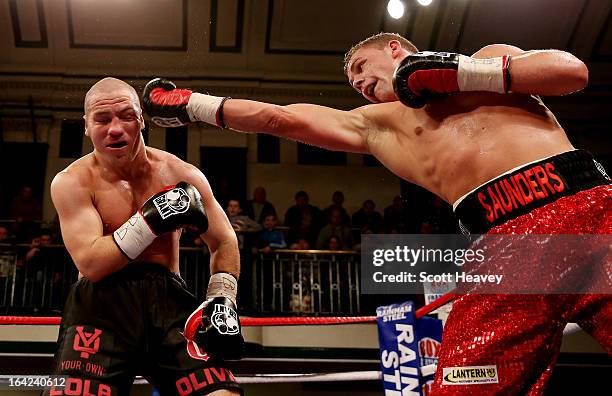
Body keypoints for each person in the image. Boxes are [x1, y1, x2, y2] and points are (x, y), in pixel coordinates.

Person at [142, 32, 611, 394]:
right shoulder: (374, 125)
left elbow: (571, 71)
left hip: (592, 207)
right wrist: (192, 105)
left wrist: (460, 73)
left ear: (393, 49)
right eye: (353, 82)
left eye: (363, 69)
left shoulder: (486, 56)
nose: (360, 83)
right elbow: (278, 117)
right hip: (507, 242)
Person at [50, 77, 243, 395]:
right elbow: (92, 263)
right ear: (86, 126)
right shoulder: (72, 182)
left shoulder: (182, 174)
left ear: (141, 118)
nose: (115, 128)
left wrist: (222, 298)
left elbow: (223, 240)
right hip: (100, 307)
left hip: (168, 302)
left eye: (126, 116)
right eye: (102, 119)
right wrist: (151, 219)